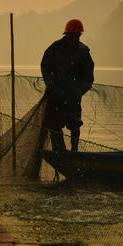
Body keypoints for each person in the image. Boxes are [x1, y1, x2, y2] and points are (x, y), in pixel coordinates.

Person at [40, 19, 94, 152]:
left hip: (73, 96)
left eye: (77, 35)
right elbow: (45, 65)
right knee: (54, 124)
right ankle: (59, 150)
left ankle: (74, 150)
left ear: (80, 35)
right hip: (56, 94)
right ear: (66, 34)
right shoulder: (55, 47)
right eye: (72, 35)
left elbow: (88, 77)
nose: (74, 38)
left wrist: (79, 90)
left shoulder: (83, 52)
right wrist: (48, 81)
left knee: (74, 124)